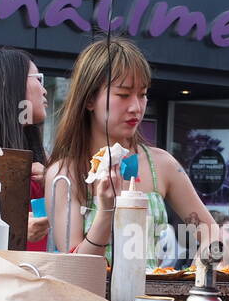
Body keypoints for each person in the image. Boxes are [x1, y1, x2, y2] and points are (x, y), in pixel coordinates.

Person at [46, 36, 216, 263]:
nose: (136, 107)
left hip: (152, 297)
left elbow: (212, 233)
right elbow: (74, 266)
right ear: (89, 99)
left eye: (143, 94)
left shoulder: (161, 164)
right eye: (123, 95)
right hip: (91, 297)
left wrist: (204, 271)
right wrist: (105, 212)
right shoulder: (64, 174)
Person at [0, 46, 50, 250]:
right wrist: (17, 228)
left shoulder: (42, 160)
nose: (44, 90)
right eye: (37, 79)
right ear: (10, 85)